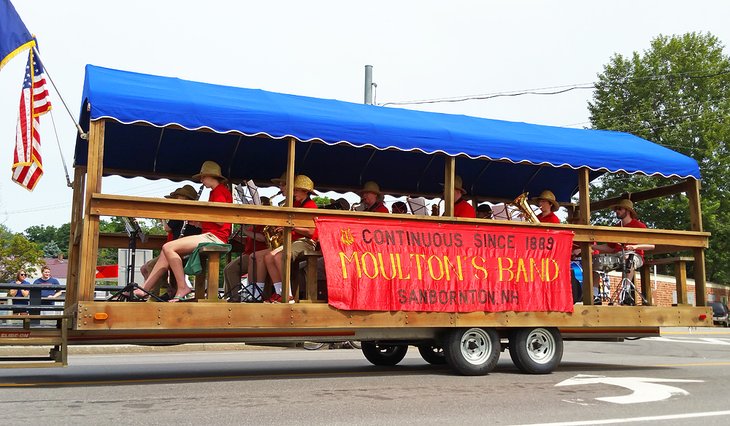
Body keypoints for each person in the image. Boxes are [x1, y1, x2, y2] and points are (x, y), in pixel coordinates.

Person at [136, 161, 232, 302]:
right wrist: (199, 222)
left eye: (203, 177)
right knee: (165, 251)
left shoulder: (219, 192)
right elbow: (215, 221)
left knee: (168, 247)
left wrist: (199, 218)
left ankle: (182, 287)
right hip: (211, 234)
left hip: (216, 237)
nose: (201, 180)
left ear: (210, 176)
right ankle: (145, 288)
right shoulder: (216, 192)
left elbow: (221, 221)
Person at [140, 185, 202, 300]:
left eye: (178, 197)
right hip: (181, 248)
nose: (176, 199)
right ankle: (164, 292)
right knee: (148, 266)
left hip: (183, 249)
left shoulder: (180, 214)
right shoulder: (186, 213)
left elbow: (167, 228)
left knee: (152, 265)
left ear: (185, 198)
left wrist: (163, 219)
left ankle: (156, 296)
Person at [263, 174, 318, 303]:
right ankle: (279, 292)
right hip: (295, 241)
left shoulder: (311, 206)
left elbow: (311, 232)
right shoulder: (297, 204)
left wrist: (291, 228)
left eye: (296, 190)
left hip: (307, 242)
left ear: (305, 192)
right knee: (268, 257)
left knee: (279, 257)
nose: (293, 193)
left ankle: (288, 295)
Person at [591, 198, 655, 304]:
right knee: (596, 264)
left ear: (627, 211)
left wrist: (635, 247)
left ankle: (625, 293)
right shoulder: (616, 227)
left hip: (635, 256)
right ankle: (594, 295)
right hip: (617, 256)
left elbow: (651, 246)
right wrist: (593, 247)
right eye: (616, 209)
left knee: (628, 259)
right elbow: (610, 248)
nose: (617, 211)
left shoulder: (639, 226)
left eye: (619, 209)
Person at [223, 197, 271, 303]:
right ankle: (232, 296)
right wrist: (237, 237)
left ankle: (236, 298)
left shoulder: (265, 222)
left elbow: (263, 238)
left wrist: (245, 231)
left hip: (257, 254)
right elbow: (250, 240)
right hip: (249, 253)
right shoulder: (253, 223)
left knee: (231, 269)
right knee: (227, 269)